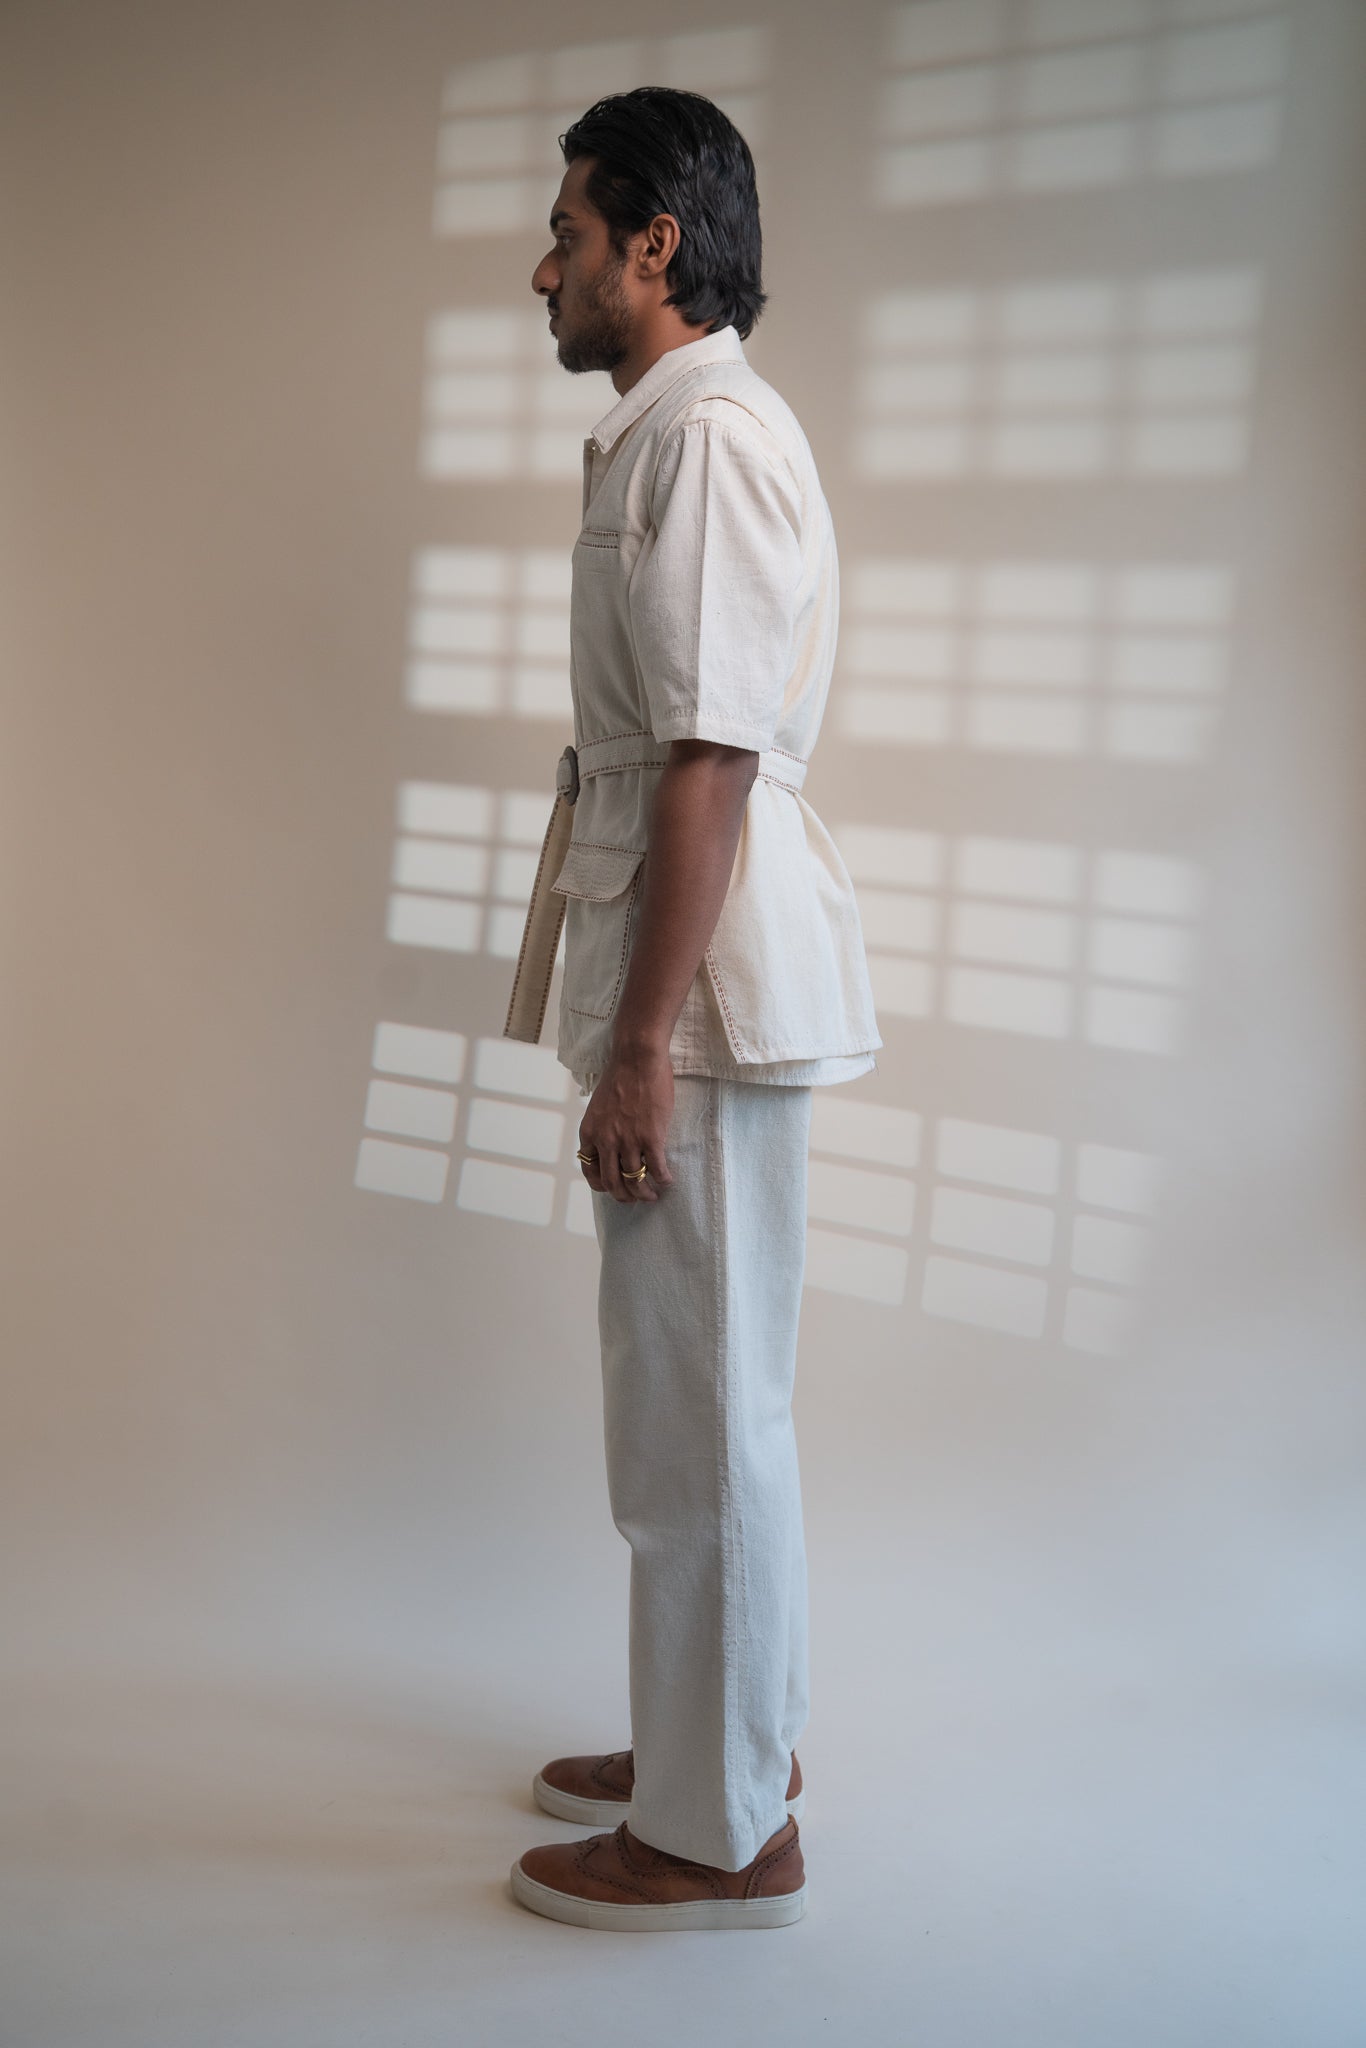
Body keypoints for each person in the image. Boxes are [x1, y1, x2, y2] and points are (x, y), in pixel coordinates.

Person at [503, 86, 881, 1932]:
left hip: (704, 1000)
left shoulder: (708, 442)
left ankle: (719, 1836)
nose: (544, 269)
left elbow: (710, 758)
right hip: (697, 977)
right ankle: (720, 1746)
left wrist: (643, 1046)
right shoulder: (674, 430)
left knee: (698, 1421)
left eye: (568, 232)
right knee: (710, 1406)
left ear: (655, 244)